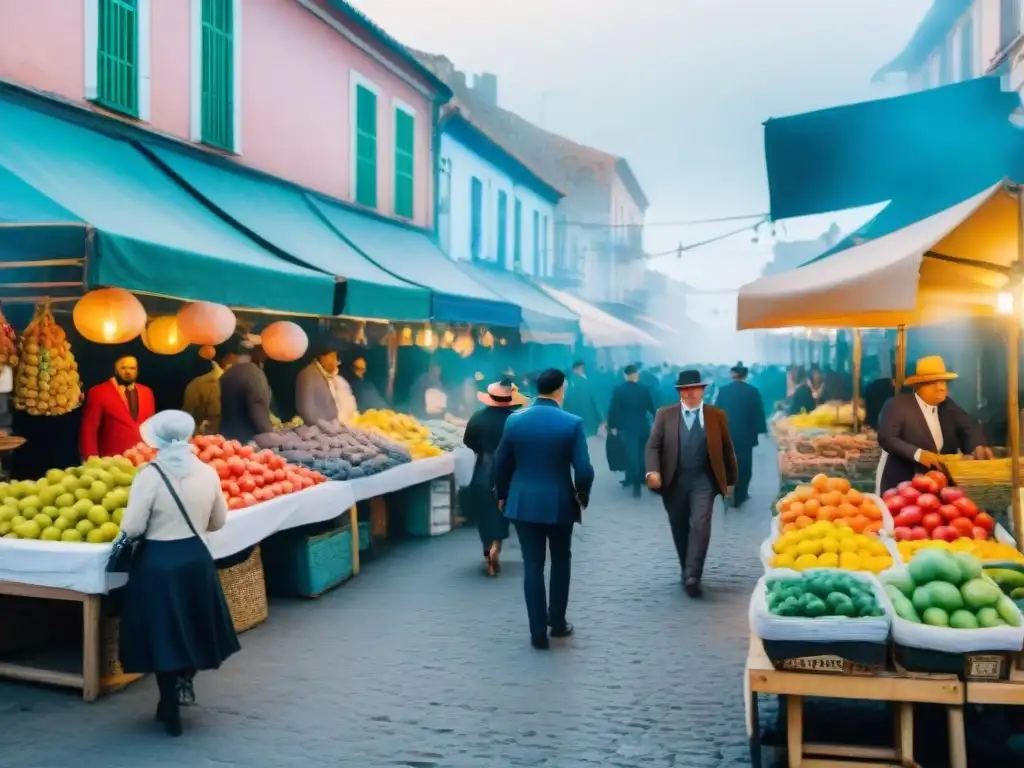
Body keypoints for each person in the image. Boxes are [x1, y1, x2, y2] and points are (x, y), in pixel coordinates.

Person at [117, 410, 240, 737]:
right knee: (194, 624)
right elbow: (218, 521)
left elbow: (132, 526)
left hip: (158, 562)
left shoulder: (149, 475)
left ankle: (168, 698)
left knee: (163, 632)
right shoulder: (207, 472)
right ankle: (185, 679)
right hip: (195, 559)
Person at [495, 369, 594, 650]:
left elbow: (502, 463)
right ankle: (558, 623)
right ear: (561, 389)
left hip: (523, 503)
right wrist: (582, 495)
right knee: (561, 560)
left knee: (533, 565)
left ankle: (537, 633)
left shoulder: (514, 421)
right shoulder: (573, 423)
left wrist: (502, 494)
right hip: (560, 501)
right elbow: (584, 468)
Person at [645, 369, 738, 597]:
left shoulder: (717, 416)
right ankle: (686, 567)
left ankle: (693, 575)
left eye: (695, 388)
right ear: (679, 393)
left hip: (704, 479)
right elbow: (653, 446)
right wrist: (652, 472)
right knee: (679, 526)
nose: (691, 393)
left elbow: (727, 448)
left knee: (701, 523)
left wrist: (731, 481)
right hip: (674, 479)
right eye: (685, 389)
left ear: (703, 390)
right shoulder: (665, 415)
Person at [877, 356, 992, 494]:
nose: (941, 388)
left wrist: (977, 446)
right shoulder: (898, 406)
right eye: (933, 382)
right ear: (918, 386)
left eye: (944, 382)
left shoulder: (948, 406)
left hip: (941, 490)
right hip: (904, 487)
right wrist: (918, 454)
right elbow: (887, 438)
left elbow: (969, 427)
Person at [463, 379, 527, 576]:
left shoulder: (478, 418)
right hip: (510, 474)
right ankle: (497, 547)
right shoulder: (517, 420)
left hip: (484, 471)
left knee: (485, 516)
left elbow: (468, 442)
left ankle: (488, 550)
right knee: (503, 515)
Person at [80, 356, 156, 459]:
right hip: (112, 462)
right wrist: (90, 459)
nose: (128, 371)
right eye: (123, 368)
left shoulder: (147, 393)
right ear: (115, 369)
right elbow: (89, 429)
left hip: (142, 460)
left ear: (137, 370)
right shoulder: (99, 392)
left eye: (132, 368)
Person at [715, 361, 768, 507]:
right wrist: (761, 430)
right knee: (744, 464)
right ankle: (741, 494)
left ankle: (726, 491)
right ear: (746, 375)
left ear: (732, 374)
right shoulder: (752, 391)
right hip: (745, 434)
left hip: (726, 432)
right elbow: (758, 412)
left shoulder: (723, 390)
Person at [607, 365, 656, 497]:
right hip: (642, 426)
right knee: (641, 453)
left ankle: (634, 481)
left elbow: (614, 410)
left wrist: (613, 426)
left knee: (631, 454)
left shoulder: (619, 390)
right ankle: (641, 478)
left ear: (625, 376)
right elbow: (652, 408)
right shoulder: (644, 390)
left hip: (627, 427)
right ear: (636, 375)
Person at [218, 335, 274, 443]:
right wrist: (271, 437)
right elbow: (258, 409)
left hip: (226, 437)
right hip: (248, 440)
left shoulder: (229, 372)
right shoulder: (253, 374)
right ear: (257, 352)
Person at [296, 342, 358, 425]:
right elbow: (306, 410)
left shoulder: (335, 378)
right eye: (333, 356)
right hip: (321, 431)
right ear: (323, 357)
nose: (336, 362)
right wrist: (322, 428)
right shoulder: (308, 375)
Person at [182, 346, 237, 434]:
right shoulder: (201, 384)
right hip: (206, 440)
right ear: (228, 359)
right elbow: (186, 419)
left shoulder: (242, 381)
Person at [562, 361, 603, 437]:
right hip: (587, 423)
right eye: (581, 369)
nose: (582, 371)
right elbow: (594, 403)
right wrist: (600, 419)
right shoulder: (586, 382)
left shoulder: (567, 383)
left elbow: (565, 403)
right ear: (575, 369)